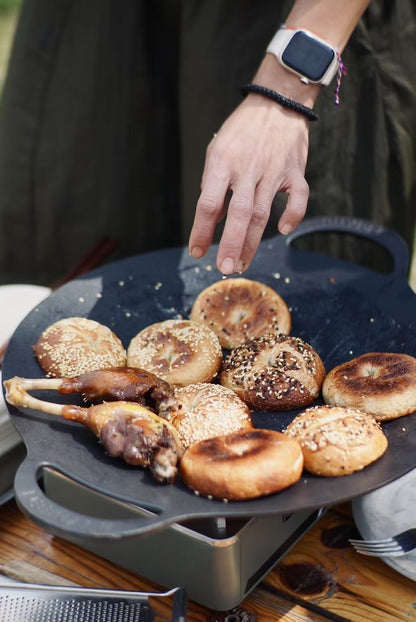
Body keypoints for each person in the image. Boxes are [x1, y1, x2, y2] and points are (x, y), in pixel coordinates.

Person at [0, 0, 415, 284]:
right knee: (73, 263)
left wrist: (288, 81)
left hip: (298, 17)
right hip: (99, 19)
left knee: (289, 288)